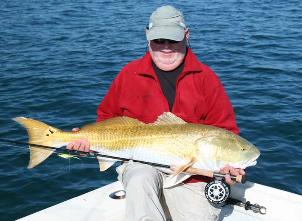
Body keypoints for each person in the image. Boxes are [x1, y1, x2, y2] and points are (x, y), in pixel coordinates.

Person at [67, 5, 245, 221]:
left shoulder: (207, 79)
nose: (166, 47)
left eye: (173, 40)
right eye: (159, 40)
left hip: (193, 177)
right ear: (147, 37)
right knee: (140, 177)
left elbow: (225, 133)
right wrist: (86, 141)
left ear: (186, 36)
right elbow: (107, 120)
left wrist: (228, 165)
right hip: (141, 166)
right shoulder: (128, 75)